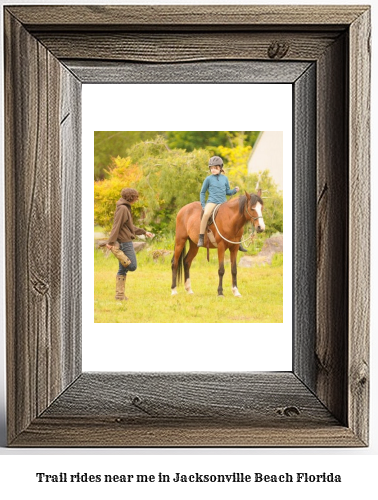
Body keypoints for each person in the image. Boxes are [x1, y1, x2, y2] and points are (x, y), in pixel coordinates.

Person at [106, 188, 154, 300]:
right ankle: (116, 251)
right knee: (132, 266)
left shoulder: (125, 207)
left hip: (125, 240)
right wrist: (111, 242)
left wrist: (144, 232)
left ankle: (120, 295)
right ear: (131, 197)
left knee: (122, 269)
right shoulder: (123, 208)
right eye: (136, 197)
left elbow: (129, 227)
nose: (137, 199)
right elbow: (116, 225)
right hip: (124, 242)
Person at [198, 156, 247, 252]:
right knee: (206, 214)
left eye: (215, 168)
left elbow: (227, 192)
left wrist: (234, 190)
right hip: (212, 202)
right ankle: (201, 237)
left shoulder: (225, 178)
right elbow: (202, 192)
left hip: (223, 203)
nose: (213, 170)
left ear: (220, 168)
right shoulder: (208, 179)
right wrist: (203, 205)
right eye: (211, 168)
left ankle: (238, 241)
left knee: (236, 218)